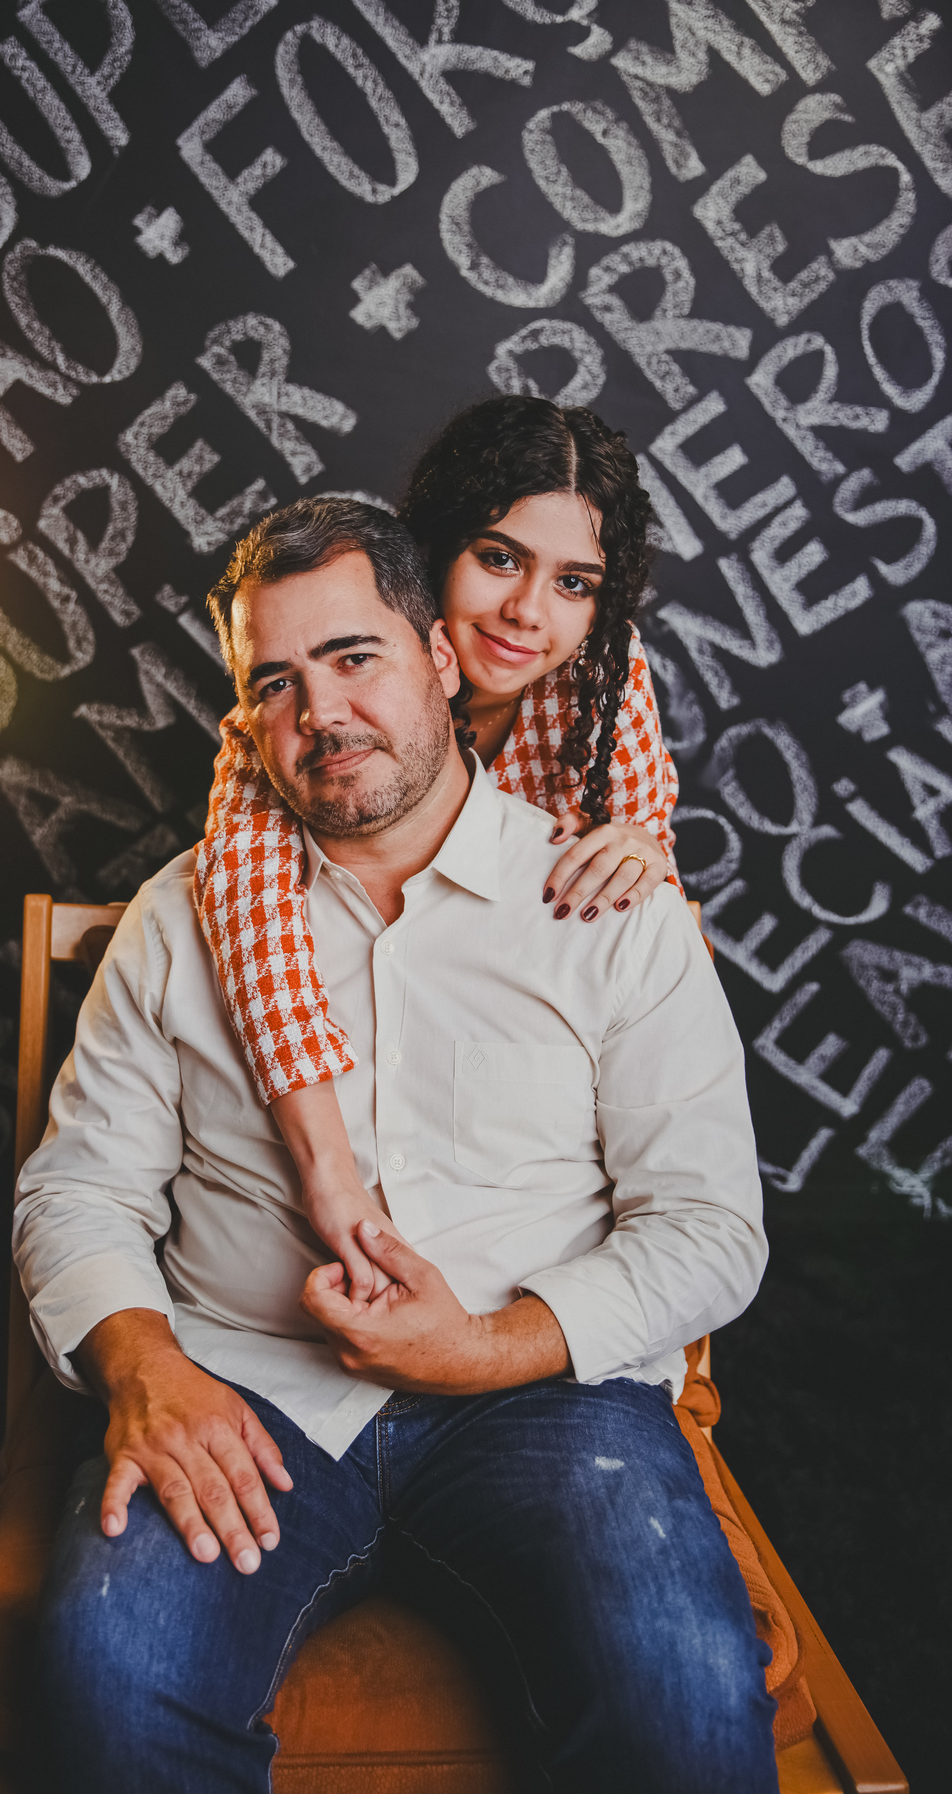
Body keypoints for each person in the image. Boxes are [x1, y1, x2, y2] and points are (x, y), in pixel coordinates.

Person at [15, 497, 775, 1793]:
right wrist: (144, 1365)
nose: (320, 711)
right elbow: (79, 1190)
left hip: (547, 1400)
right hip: (244, 1391)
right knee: (110, 1674)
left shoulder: (610, 908)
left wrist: (485, 1347)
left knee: (684, 1701)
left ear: (438, 657)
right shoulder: (180, 917)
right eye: (275, 681)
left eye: (353, 656)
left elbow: (710, 1229)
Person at [196, 397, 680, 1301]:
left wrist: (641, 856)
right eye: (499, 558)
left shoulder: (604, 678)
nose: (527, 612)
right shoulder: (315, 704)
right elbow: (254, 927)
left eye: (574, 584)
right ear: (438, 548)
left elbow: (650, 910)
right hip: (350, 1074)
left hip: (514, 1105)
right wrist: (332, 1179)